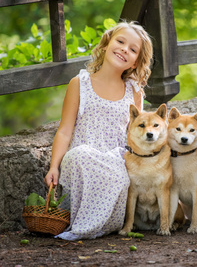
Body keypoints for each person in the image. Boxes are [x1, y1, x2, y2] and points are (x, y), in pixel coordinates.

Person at [44, 21, 153, 240]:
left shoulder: (134, 92)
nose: (124, 49)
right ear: (105, 45)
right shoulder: (79, 83)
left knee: (121, 176)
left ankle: (102, 224)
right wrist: (54, 166)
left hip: (114, 161)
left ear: (135, 63)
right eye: (120, 42)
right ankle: (83, 226)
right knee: (81, 155)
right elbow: (65, 130)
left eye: (133, 50)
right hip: (81, 161)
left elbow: (135, 136)